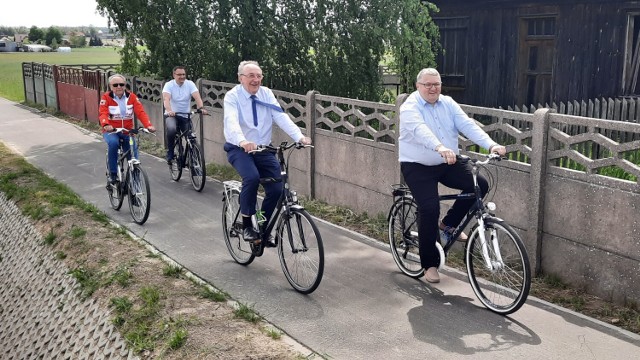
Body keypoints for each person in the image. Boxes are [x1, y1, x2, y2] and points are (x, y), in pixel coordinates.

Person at [398, 68, 506, 284]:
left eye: (436, 84)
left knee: (480, 185)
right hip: (417, 165)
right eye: (427, 84)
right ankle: (429, 263)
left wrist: (491, 144)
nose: (432, 88)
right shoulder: (410, 106)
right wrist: (439, 146)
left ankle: (448, 224)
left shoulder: (447, 103)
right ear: (418, 86)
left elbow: (467, 125)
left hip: (447, 161)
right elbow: (420, 130)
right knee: (429, 208)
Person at [223, 60, 312, 244]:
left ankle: (262, 226)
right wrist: (243, 140)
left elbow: (280, 116)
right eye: (251, 76)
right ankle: (247, 225)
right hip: (239, 148)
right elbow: (231, 121)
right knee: (252, 178)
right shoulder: (232, 97)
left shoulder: (266, 94)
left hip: (263, 149)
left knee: (277, 189)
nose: (256, 80)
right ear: (241, 78)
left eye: (259, 76)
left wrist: (299, 137)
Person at [99, 74, 156, 186]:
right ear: (110, 86)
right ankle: (113, 174)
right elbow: (103, 113)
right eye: (115, 85)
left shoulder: (132, 97)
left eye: (122, 84)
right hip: (112, 131)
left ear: (125, 85)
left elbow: (140, 112)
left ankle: (136, 188)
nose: (119, 87)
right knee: (113, 144)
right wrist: (106, 124)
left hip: (127, 131)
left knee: (133, 154)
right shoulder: (106, 97)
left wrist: (148, 125)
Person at [163, 65, 208, 165]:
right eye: (179, 74)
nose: (182, 76)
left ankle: (194, 163)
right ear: (174, 75)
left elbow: (197, 97)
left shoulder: (190, 84)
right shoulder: (169, 85)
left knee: (191, 137)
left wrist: (201, 108)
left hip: (185, 115)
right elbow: (166, 99)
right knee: (171, 130)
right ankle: (170, 152)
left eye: (183, 74)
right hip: (172, 115)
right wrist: (170, 110)